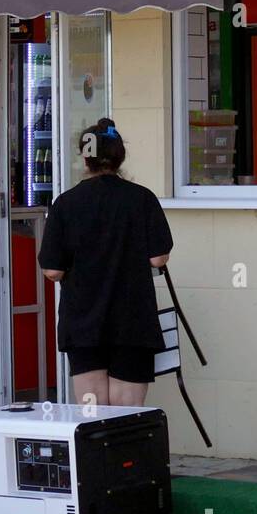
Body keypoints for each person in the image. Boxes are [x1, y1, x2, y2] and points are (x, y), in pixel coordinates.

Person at [38, 118, 173, 408]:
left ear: (85, 158)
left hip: (83, 322)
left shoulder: (66, 203)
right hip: (133, 321)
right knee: (126, 417)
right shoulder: (142, 199)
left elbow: (52, 270)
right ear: (119, 156)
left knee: (92, 416)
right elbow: (158, 258)